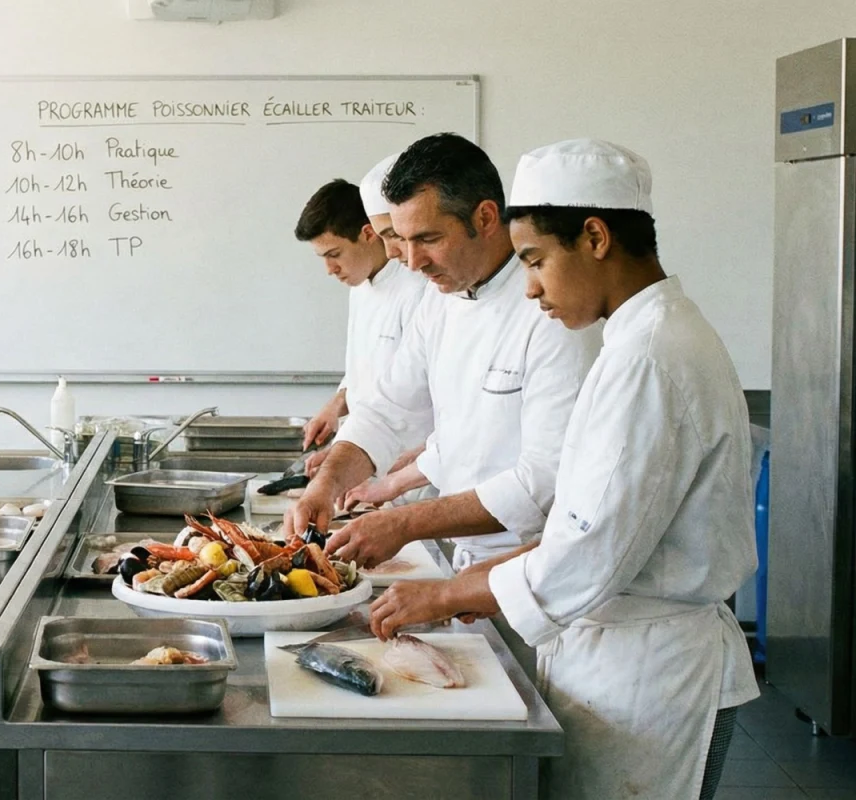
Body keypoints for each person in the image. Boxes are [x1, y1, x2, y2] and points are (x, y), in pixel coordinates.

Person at [368, 139, 758, 800]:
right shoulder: (642, 337)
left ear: (596, 237)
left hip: (648, 674)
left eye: (537, 261)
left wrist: (444, 594)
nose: (530, 287)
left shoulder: (652, 357)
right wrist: (473, 577)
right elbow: (587, 523)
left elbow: (587, 548)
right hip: (613, 655)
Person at [285, 133, 601, 574]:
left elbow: (544, 480)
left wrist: (406, 522)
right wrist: (324, 485)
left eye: (428, 238)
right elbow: (385, 409)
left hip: (533, 566)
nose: (412, 263)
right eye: (402, 240)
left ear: (486, 217)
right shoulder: (442, 298)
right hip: (464, 554)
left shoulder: (554, 311)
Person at [293, 166, 426, 484]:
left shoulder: (420, 288)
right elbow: (365, 368)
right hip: (369, 459)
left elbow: (405, 393)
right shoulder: (360, 286)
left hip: (410, 466)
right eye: (322, 257)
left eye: (334, 254)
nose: (329, 269)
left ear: (368, 233)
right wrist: (337, 403)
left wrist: (346, 451)